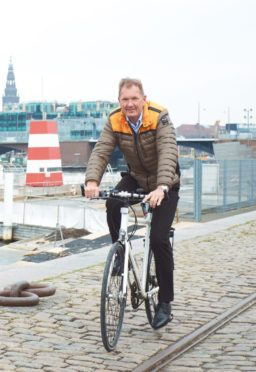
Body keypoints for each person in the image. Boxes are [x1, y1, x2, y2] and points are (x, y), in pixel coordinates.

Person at [84, 78, 180, 330]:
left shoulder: (160, 117)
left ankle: (165, 303)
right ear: (119, 101)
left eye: (134, 99)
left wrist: (162, 187)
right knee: (113, 203)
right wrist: (92, 180)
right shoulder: (115, 120)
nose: (130, 104)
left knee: (159, 239)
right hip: (136, 177)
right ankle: (120, 254)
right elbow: (102, 150)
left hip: (165, 182)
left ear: (143, 99)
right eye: (125, 99)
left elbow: (169, 152)